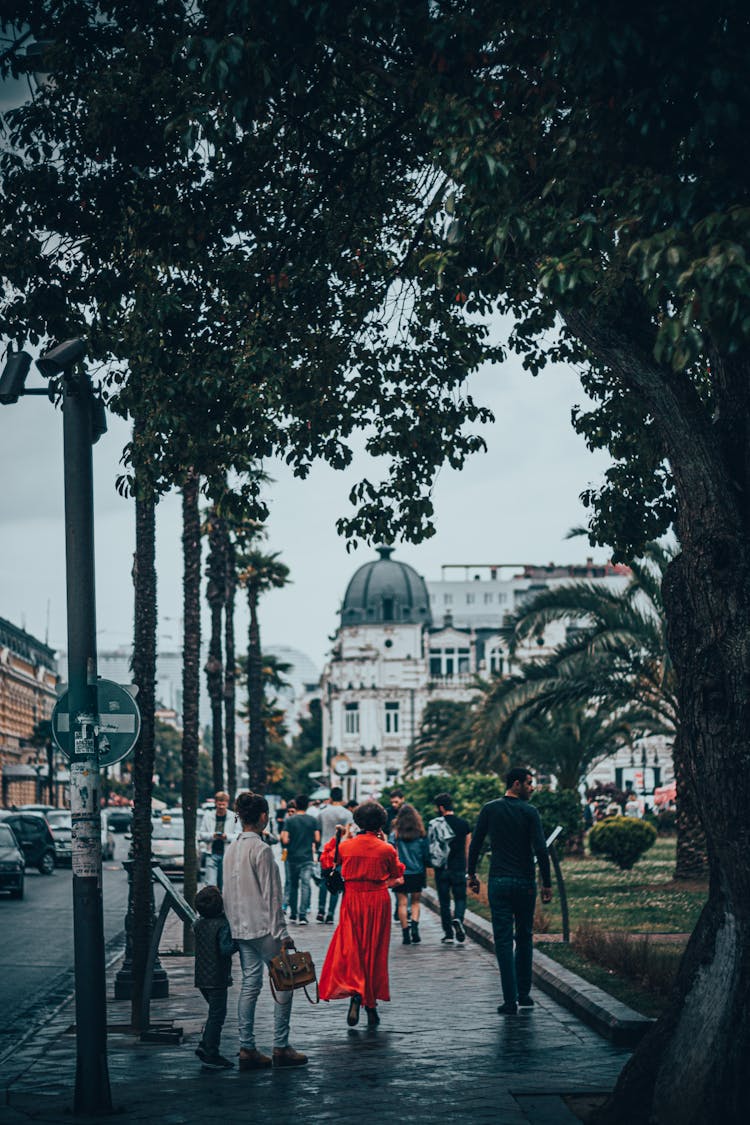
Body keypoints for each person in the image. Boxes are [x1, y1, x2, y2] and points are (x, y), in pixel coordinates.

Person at [223, 791, 307, 1069]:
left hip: (240, 927)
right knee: (286, 984)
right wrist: (282, 933)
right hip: (264, 928)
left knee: (250, 985)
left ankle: (247, 1047)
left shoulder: (231, 849)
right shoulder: (261, 850)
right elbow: (273, 896)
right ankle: (281, 1046)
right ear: (262, 817)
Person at [468, 767, 552, 1016]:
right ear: (516, 784)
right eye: (529, 783)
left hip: (499, 883)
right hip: (525, 883)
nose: (532, 787)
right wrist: (547, 884)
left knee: (503, 941)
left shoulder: (489, 809)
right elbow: (540, 849)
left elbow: (476, 842)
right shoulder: (530, 812)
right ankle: (524, 994)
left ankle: (509, 1000)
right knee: (524, 937)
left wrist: (471, 874)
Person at [319, 801, 404, 1028]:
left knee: (352, 949)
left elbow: (328, 859)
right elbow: (396, 874)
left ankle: (356, 992)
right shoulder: (387, 849)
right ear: (381, 823)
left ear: (357, 822)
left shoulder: (346, 847)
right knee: (374, 953)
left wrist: (339, 837)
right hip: (378, 900)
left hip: (352, 900)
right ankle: (371, 1004)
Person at [193, 885, 235, 1070]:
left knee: (214, 1013)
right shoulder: (223, 925)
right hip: (217, 978)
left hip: (202, 977)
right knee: (217, 1016)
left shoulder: (198, 924)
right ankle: (210, 1051)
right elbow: (225, 950)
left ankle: (206, 1044)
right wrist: (239, 943)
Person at [429, 792, 471, 944]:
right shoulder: (464, 824)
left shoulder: (434, 824)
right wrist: (469, 869)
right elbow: (468, 849)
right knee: (460, 898)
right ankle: (458, 919)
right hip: (459, 867)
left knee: (444, 902)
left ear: (441, 808)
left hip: (442, 869)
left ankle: (448, 934)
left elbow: (431, 847)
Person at [389, 803, 430, 945]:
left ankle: (405, 932)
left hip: (400, 873)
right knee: (415, 902)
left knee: (402, 903)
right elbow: (426, 854)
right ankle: (415, 929)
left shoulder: (395, 834)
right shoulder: (421, 834)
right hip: (417, 872)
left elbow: (390, 851)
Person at [315, 787, 354, 923]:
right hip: (340, 852)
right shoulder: (348, 814)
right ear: (342, 798)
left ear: (330, 798)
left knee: (324, 881)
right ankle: (330, 914)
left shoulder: (322, 813)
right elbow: (350, 833)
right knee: (336, 881)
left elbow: (318, 833)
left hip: (324, 850)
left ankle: (320, 910)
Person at [280, 794, 320, 924]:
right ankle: (303, 915)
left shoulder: (290, 820)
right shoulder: (313, 820)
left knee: (293, 886)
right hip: (307, 857)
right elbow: (317, 838)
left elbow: (284, 839)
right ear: (308, 805)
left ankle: (293, 914)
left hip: (292, 857)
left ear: (296, 805)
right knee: (306, 885)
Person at [199, 791, 239, 891]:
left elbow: (238, 835)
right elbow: (201, 834)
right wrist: (213, 835)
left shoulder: (234, 817)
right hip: (211, 854)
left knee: (224, 885)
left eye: (223, 804)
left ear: (227, 804)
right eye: (219, 804)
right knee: (211, 885)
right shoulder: (208, 816)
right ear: (215, 803)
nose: (221, 807)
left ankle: (222, 905)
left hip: (227, 854)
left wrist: (226, 837)